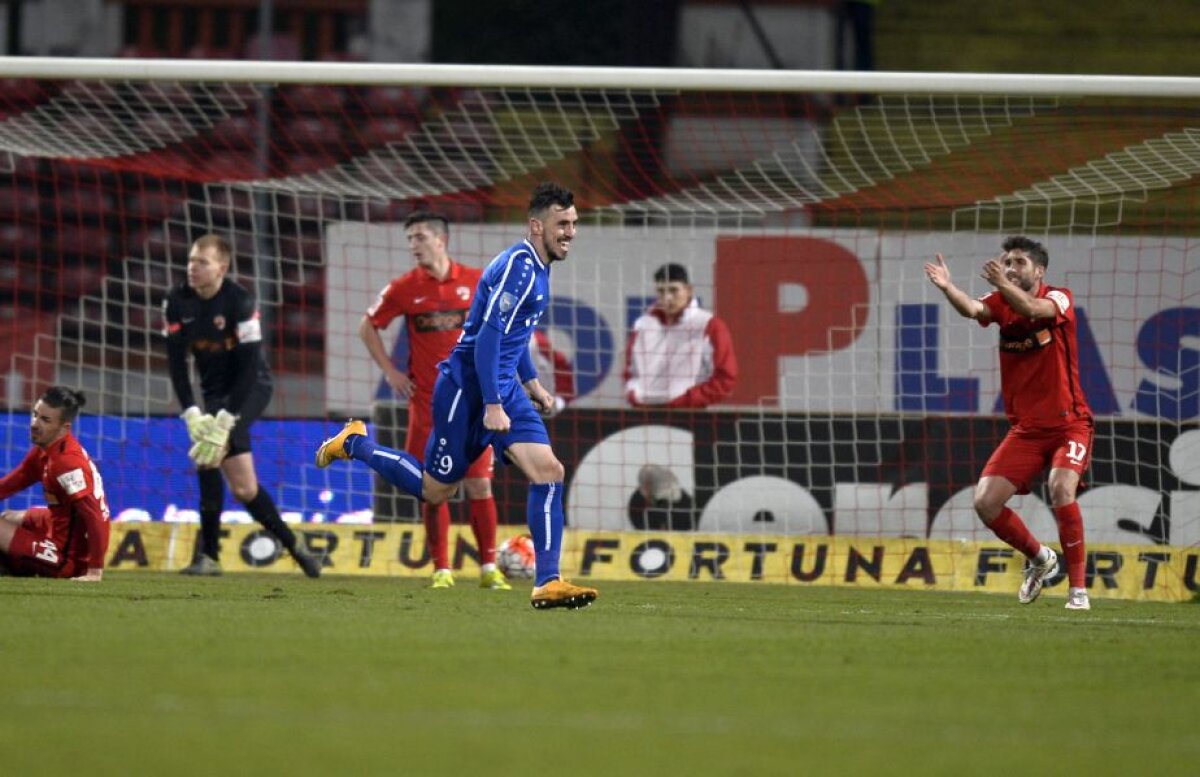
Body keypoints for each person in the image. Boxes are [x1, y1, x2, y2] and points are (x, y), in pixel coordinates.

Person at [317, 182, 598, 610]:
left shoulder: (539, 265)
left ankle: (548, 581)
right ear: (537, 226)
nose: (570, 232)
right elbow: (487, 339)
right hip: (466, 390)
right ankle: (354, 442)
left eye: (574, 224)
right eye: (563, 224)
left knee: (549, 471)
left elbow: (513, 336)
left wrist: (531, 382)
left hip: (504, 386)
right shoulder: (518, 268)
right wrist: (492, 404)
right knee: (435, 492)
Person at [924, 236, 1093, 610]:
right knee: (985, 503)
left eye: (1019, 262)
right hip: (1027, 430)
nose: (1012, 268)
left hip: (1070, 424)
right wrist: (949, 287)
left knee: (1061, 488)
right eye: (1007, 262)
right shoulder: (1000, 303)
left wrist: (1001, 282)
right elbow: (971, 308)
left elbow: (1034, 308)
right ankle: (1040, 559)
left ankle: (1078, 591)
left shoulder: (1060, 297)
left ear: (1039, 270)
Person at [359, 210, 508, 590]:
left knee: (479, 486)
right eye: (409, 238)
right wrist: (391, 373)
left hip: (473, 406)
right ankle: (441, 568)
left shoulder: (477, 282)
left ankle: (489, 568)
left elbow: (500, 333)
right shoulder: (403, 288)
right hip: (428, 407)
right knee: (433, 490)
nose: (413, 245)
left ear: (441, 240)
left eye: (420, 237)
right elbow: (367, 326)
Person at [163, 233, 320, 578]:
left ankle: (208, 557)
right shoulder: (177, 300)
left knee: (208, 457)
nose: (193, 268)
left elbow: (250, 366)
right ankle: (295, 545)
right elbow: (176, 363)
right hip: (214, 394)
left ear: (222, 266)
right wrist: (191, 410)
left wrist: (225, 419)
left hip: (251, 389)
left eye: (201, 262)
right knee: (245, 488)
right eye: (191, 260)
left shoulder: (240, 301)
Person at [0, 386, 109, 581]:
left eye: (45, 420)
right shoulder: (44, 451)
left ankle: (14, 565)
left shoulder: (66, 463)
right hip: (57, 524)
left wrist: (95, 570)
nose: (34, 423)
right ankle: (12, 564)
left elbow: (96, 516)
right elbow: (13, 483)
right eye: (35, 415)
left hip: (66, 557)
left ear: (64, 427)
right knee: (7, 517)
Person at [624, 262, 738, 408]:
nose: (667, 298)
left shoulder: (709, 325)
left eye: (673, 290)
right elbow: (630, 370)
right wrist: (634, 395)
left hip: (688, 415)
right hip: (643, 414)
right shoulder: (642, 325)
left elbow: (725, 378)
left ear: (689, 290)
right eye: (661, 291)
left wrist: (685, 401)